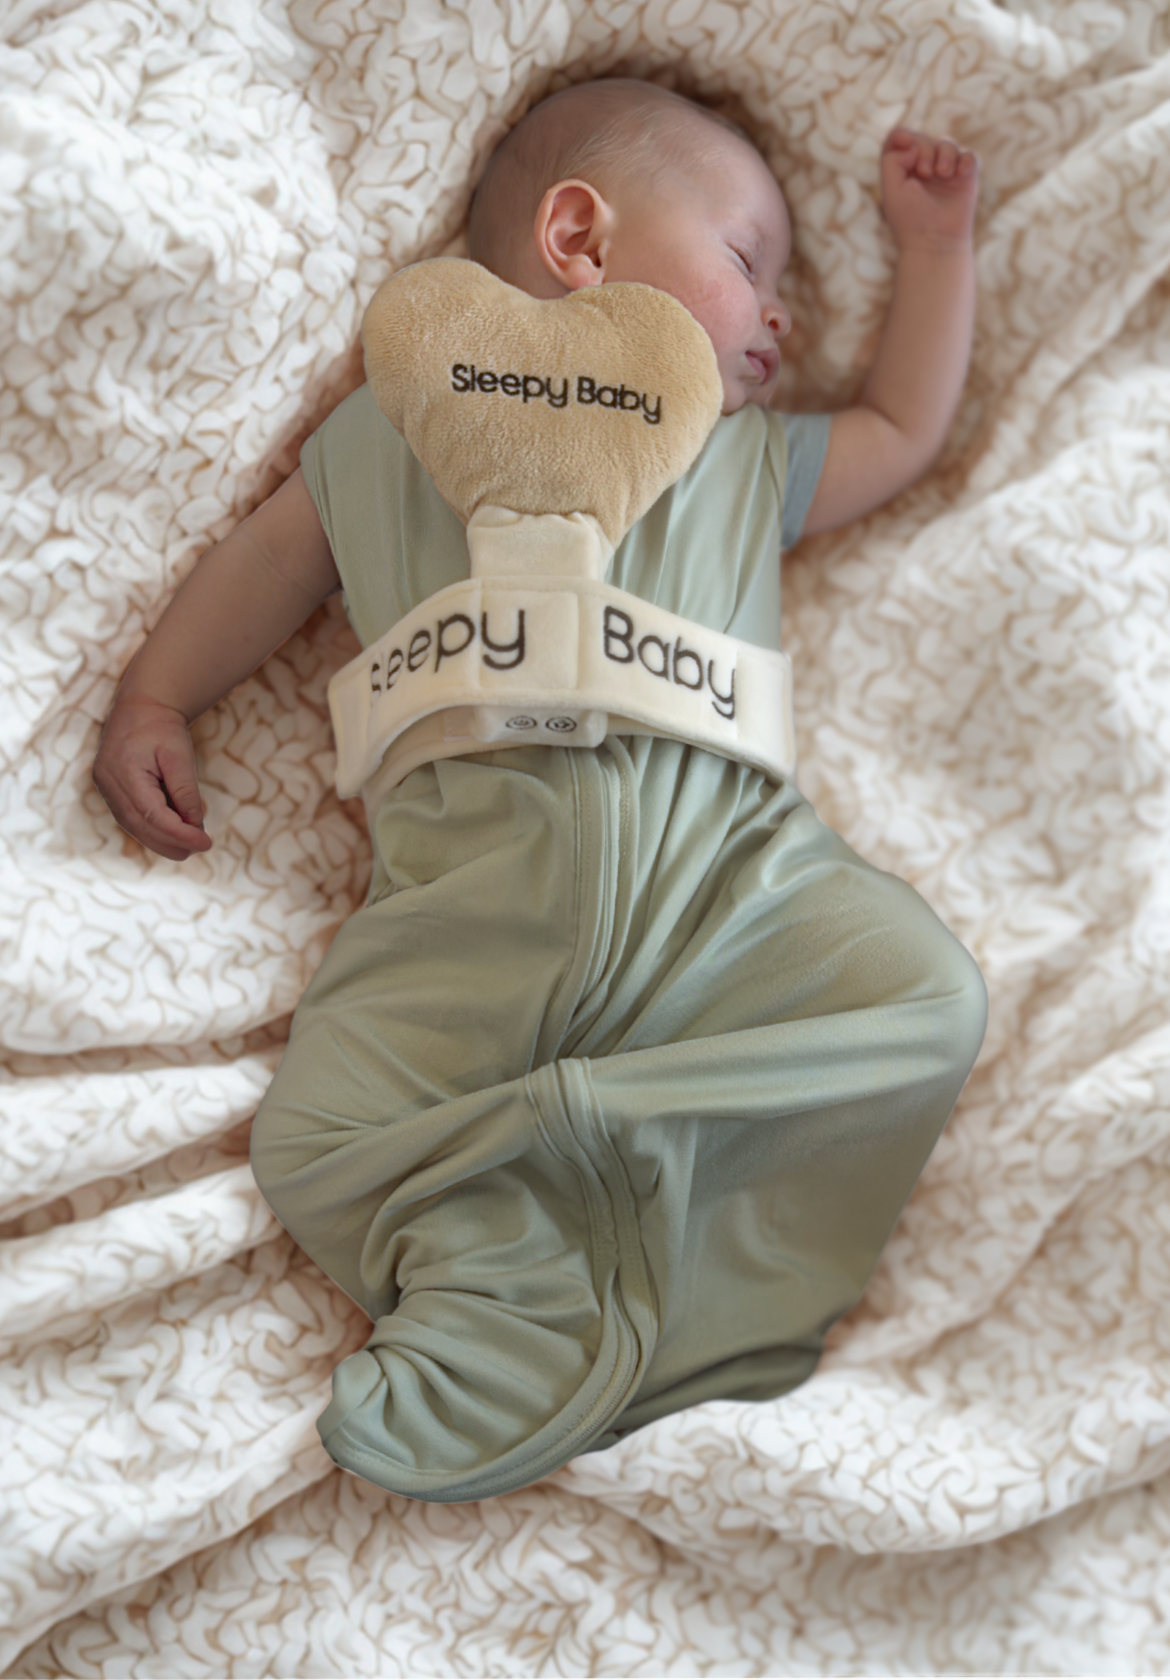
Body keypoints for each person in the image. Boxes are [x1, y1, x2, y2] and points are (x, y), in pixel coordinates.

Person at [92, 79, 988, 1502]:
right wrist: (158, 693)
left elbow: (894, 423)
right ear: (579, 237)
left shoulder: (739, 459)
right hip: (469, 920)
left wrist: (936, 251)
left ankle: (629, 1230)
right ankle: (518, 1289)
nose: (780, 321)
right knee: (311, 1141)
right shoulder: (397, 429)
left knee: (929, 999)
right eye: (751, 266)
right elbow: (270, 567)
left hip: (736, 898)